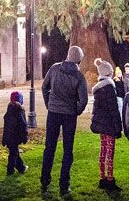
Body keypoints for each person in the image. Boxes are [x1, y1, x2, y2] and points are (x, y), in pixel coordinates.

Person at [41, 45, 88, 196]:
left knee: (50, 147)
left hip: (53, 112)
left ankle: (45, 181)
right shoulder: (79, 76)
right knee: (68, 150)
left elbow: (44, 87)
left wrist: (49, 103)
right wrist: (76, 111)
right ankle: (64, 185)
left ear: (68, 55)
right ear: (79, 60)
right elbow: (84, 99)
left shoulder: (54, 69)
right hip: (69, 115)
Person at [90, 58, 122, 192]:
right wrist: (118, 128)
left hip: (101, 125)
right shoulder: (109, 88)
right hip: (109, 125)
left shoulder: (97, 89)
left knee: (103, 151)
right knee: (110, 152)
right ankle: (110, 180)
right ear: (108, 73)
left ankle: (102, 177)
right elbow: (113, 110)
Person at [2, 91, 28, 176]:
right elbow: (23, 124)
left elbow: (6, 126)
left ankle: (21, 168)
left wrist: (4, 138)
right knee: (13, 154)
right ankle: (10, 170)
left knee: (14, 152)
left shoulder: (9, 110)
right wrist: (25, 136)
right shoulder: (20, 110)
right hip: (16, 136)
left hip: (9, 136)